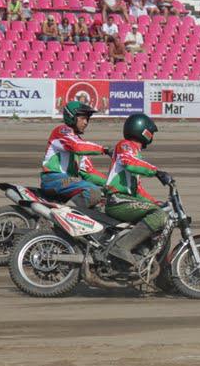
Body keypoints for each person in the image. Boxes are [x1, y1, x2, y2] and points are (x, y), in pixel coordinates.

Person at [103, 113, 171, 266]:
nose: (152, 135)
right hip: (118, 200)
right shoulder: (125, 145)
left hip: (125, 200)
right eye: (150, 132)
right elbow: (128, 162)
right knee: (158, 216)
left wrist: (155, 203)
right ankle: (121, 247)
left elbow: (138, 191)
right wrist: (156, 172)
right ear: (143, 131)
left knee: (158, 211)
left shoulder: (136, 154)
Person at [40, 101, 108, 208]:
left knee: (103, 195)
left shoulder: (80, 144)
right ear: (71, 117)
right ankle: (66, 212)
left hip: (69, 181)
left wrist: (111, 184)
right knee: (92, 191)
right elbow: (77, 146)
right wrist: (104, 150)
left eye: (87, 119)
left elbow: (89, 173)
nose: (86, 122)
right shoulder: (62, 131)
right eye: (83, 118)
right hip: (53, 179)